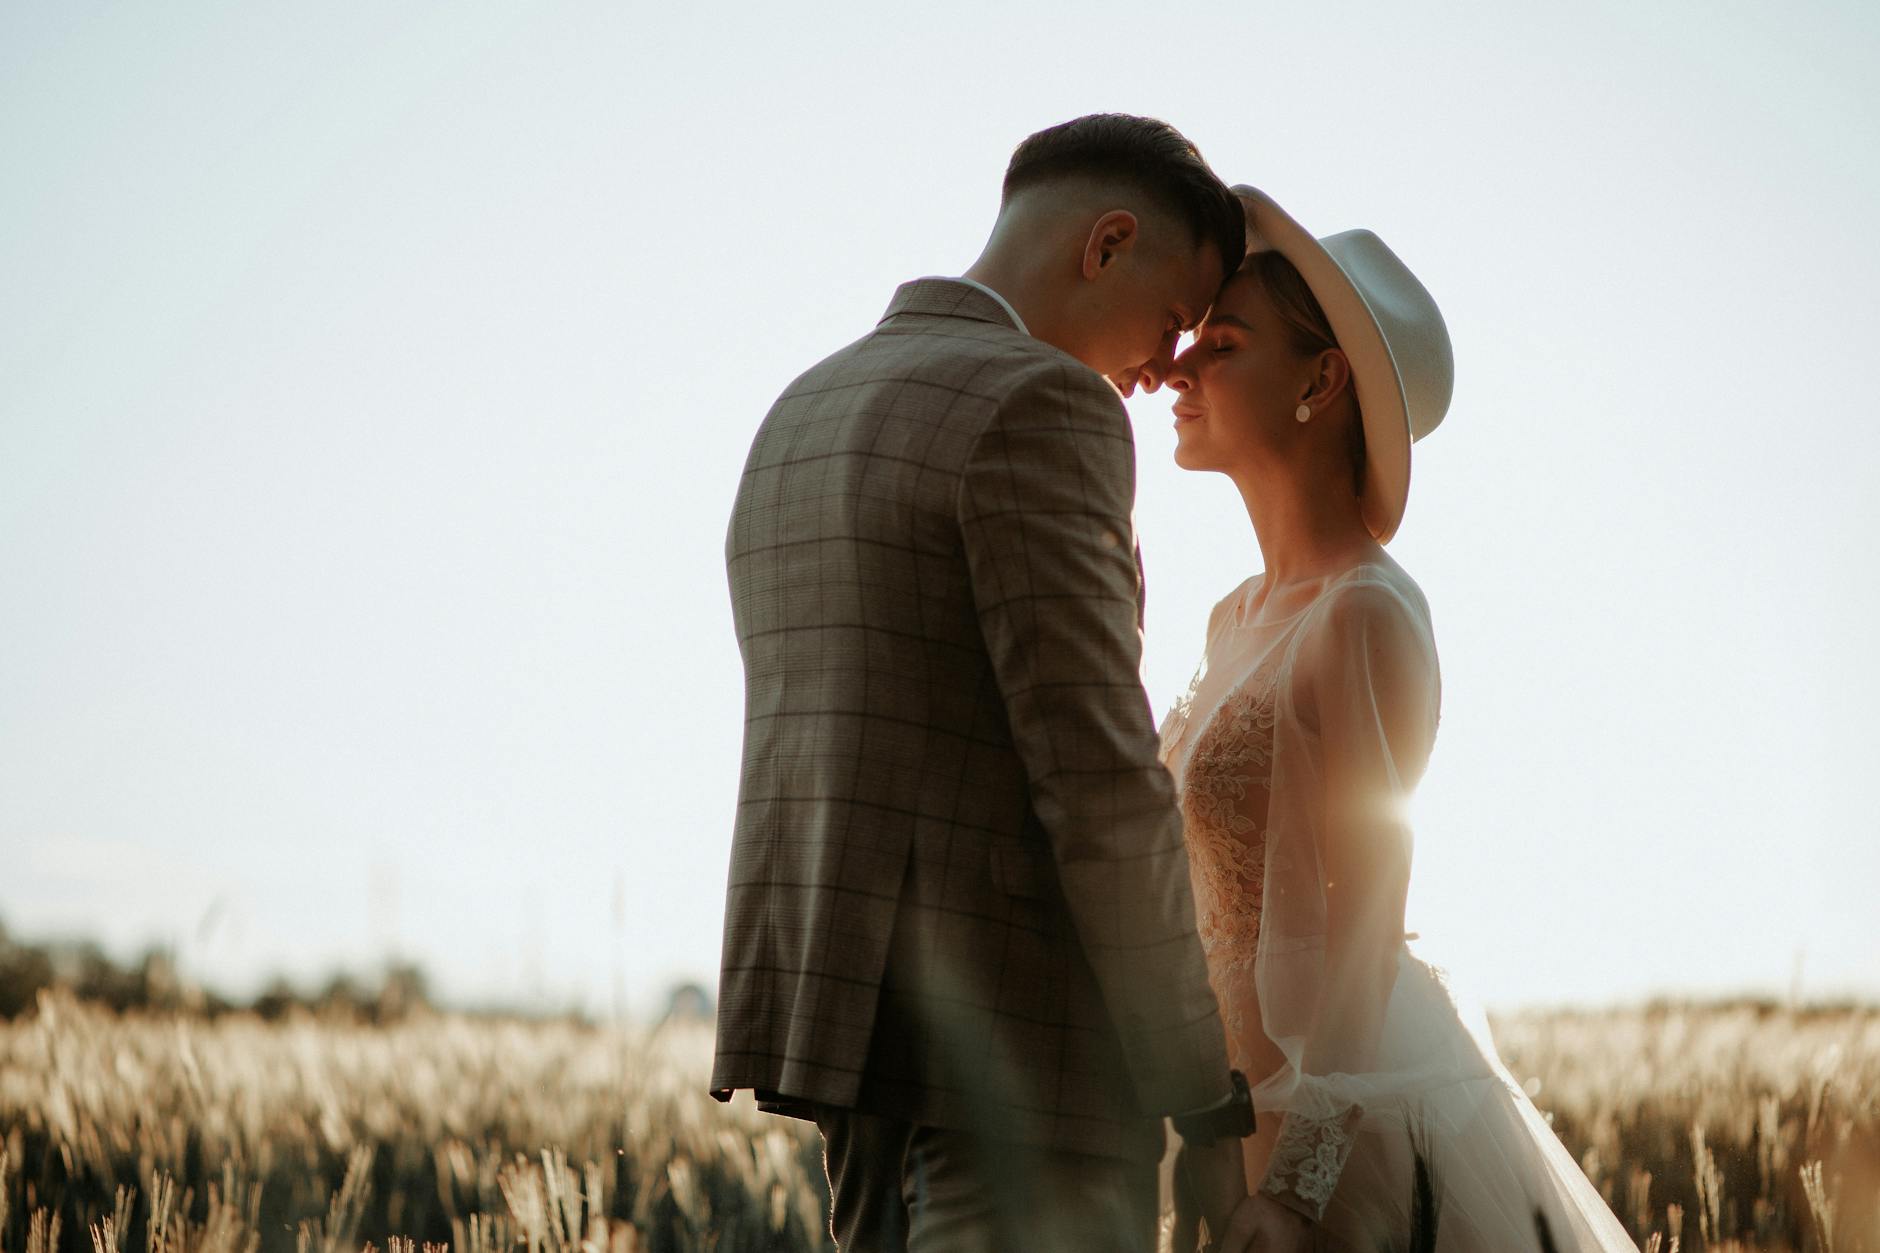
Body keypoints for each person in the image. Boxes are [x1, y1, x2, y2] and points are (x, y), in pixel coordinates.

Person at [712, 115, 1274, 1252]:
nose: (1166, 368)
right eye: (1173, 322)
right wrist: (1196, 1087)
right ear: (1106, 241)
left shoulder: (800, 411)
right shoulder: (1040, 405)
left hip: (850, 1064)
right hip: (1024, 1076)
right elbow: (1098, 778)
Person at [1154, 185, 1637, 1250]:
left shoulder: (1363, 610)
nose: (1179, 368)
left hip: (1335, 1119)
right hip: (1220, 1109)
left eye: (1220, 344)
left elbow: (1366, 918)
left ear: (1319, 379)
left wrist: (1297, 1183)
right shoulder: (1231, 613)